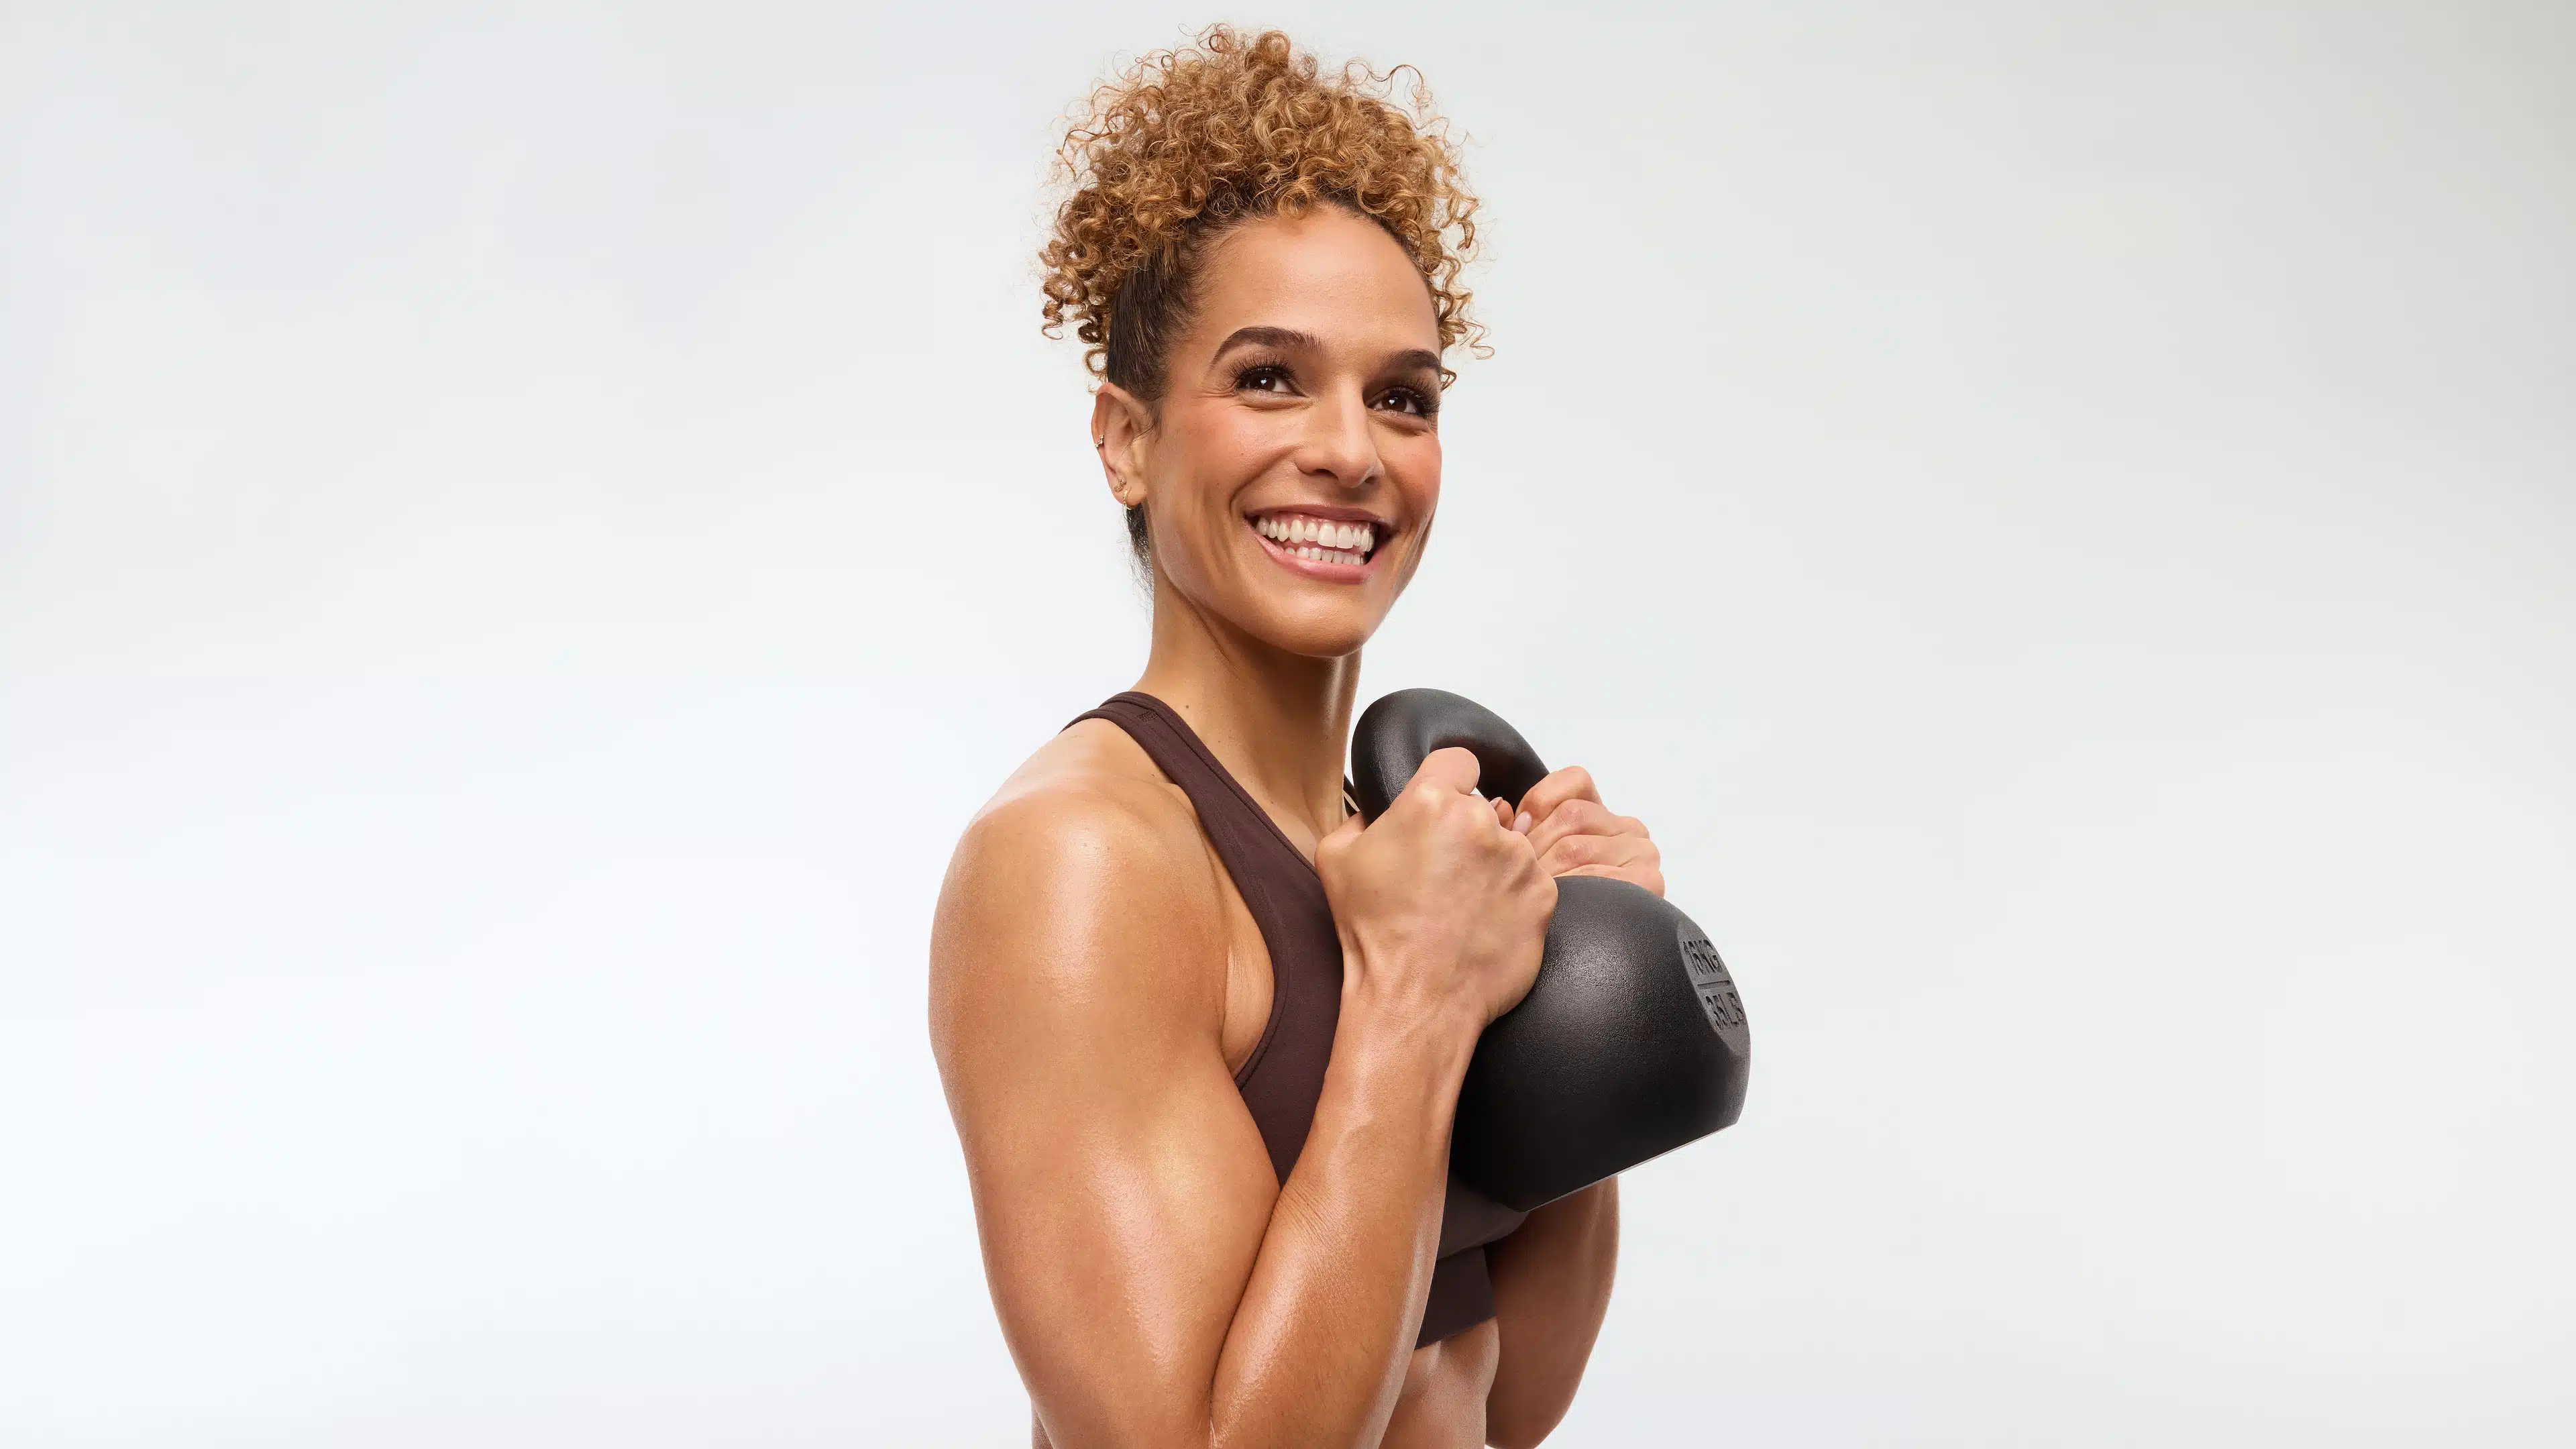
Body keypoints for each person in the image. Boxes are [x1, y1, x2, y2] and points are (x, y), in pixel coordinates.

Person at [930, 27, 1666, 1448]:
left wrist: (1576, 995)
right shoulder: (1081, 865)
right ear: (1126, 440)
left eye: (1404, 396)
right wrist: (1420, 998)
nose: (1352, 451)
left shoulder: (1413, 856)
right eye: (1271, 377)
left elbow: (1504, 1404)